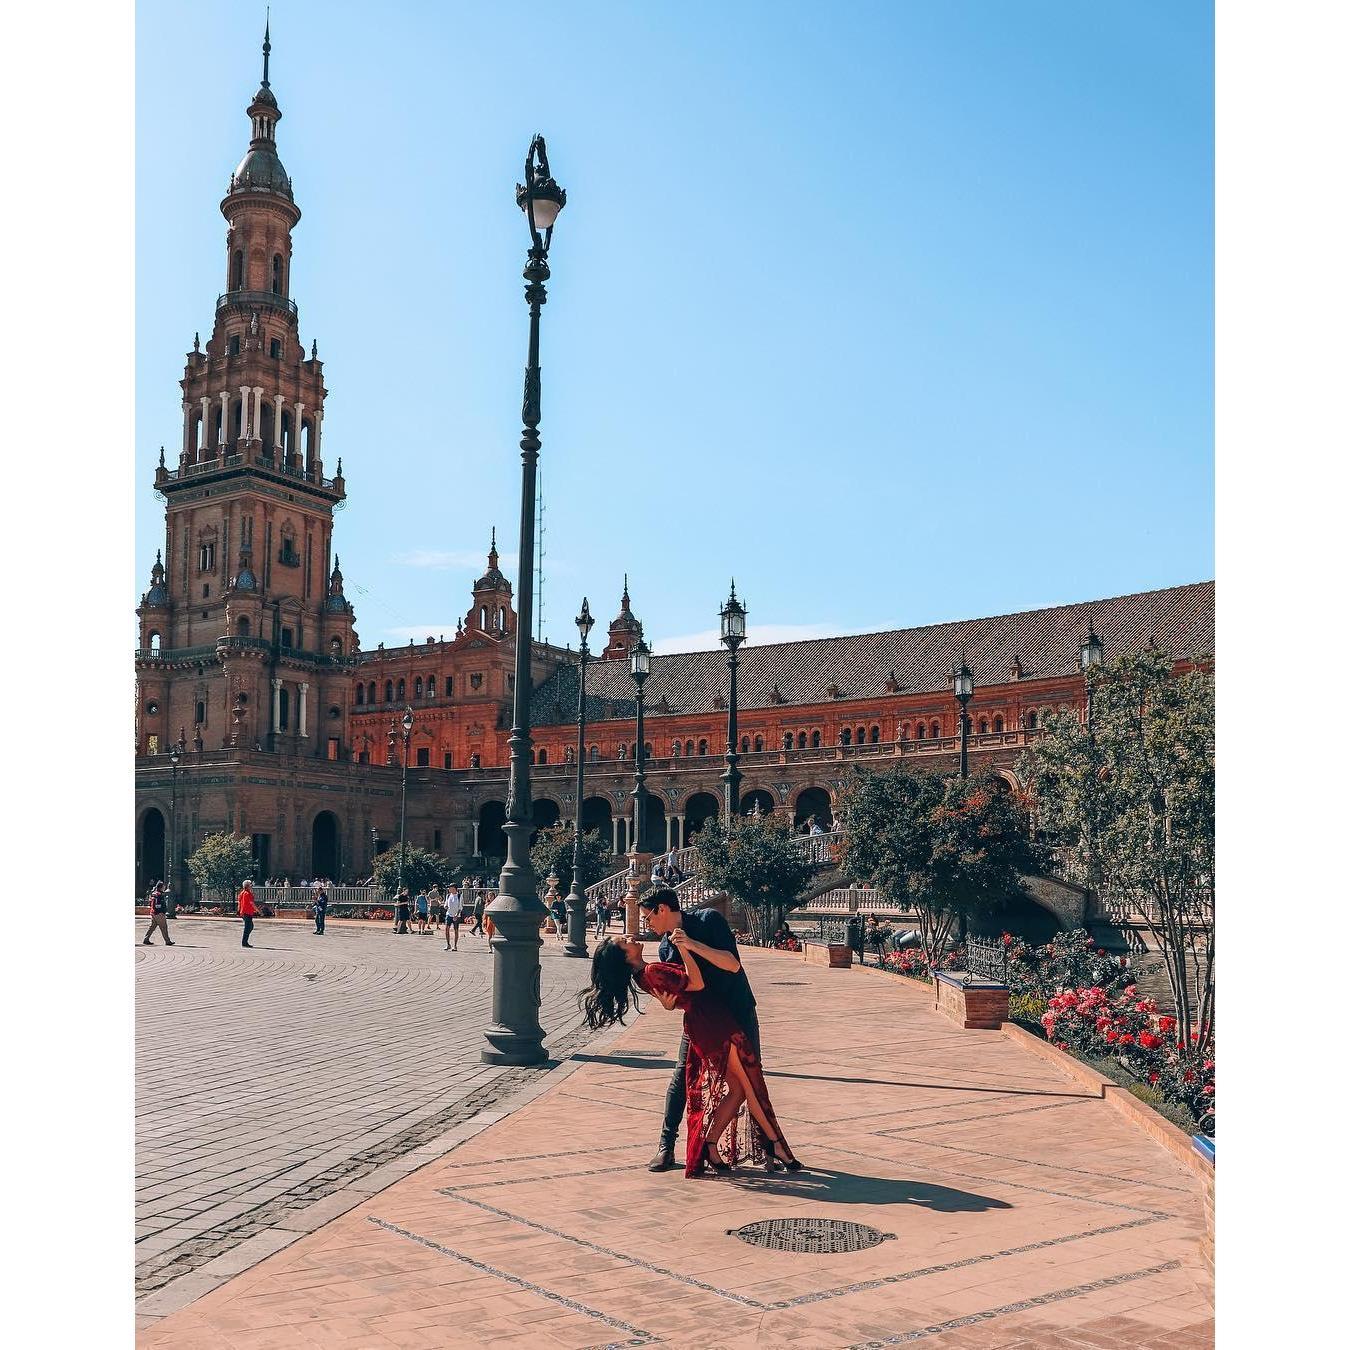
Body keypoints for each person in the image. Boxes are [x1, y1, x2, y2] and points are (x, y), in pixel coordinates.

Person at [581, 931, 801, 1177]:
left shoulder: (646, 974)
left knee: (739, 1090)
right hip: (712, 1023)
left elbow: (677, 996)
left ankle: (709, 1144)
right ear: (624, 957)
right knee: (749, 1085)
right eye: (624, 942)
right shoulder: (651, 971)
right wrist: (685, 946)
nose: (630, 937)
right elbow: (696, 983)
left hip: (708, 1021)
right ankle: (774, 1144)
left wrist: (672, 1002)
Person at [638, 889, 767, 1174]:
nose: (646, 924)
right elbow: (686, 990)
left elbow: (732, 964)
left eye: (648, 917)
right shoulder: (665, 948)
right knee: (681, 1076)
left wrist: (692, 944)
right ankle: (665, 1146)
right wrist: (669, 1003)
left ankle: (764, 1148)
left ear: (662, 909)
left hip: (737, 1010)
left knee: (750, 1079)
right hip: (703, 1020)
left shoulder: (708, 920)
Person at [238, 878, 258, 948]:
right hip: (247, 912)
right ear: (247, 886)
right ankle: (244, 942)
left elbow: (239, 902)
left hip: (244, 912)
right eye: (250, 885)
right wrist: (258, 911)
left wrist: (239, 910)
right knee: (248, 928)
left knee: (250, 926)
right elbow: (252, 903)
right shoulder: (248, 893)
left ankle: (245, 940)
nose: (251, 886)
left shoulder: (242, 893)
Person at [444, 883, 463, 950]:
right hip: (448, 914)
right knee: (446, 929)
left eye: (450, 887)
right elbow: (445, 904)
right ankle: (448, 944)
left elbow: (460, 907)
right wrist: (445, 906)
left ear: (454, 888)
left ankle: (455, 945)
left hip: (456, 915)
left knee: (456, 930)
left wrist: (456, 915)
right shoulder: (448, 895)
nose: (449, 889)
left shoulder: (459, 896)